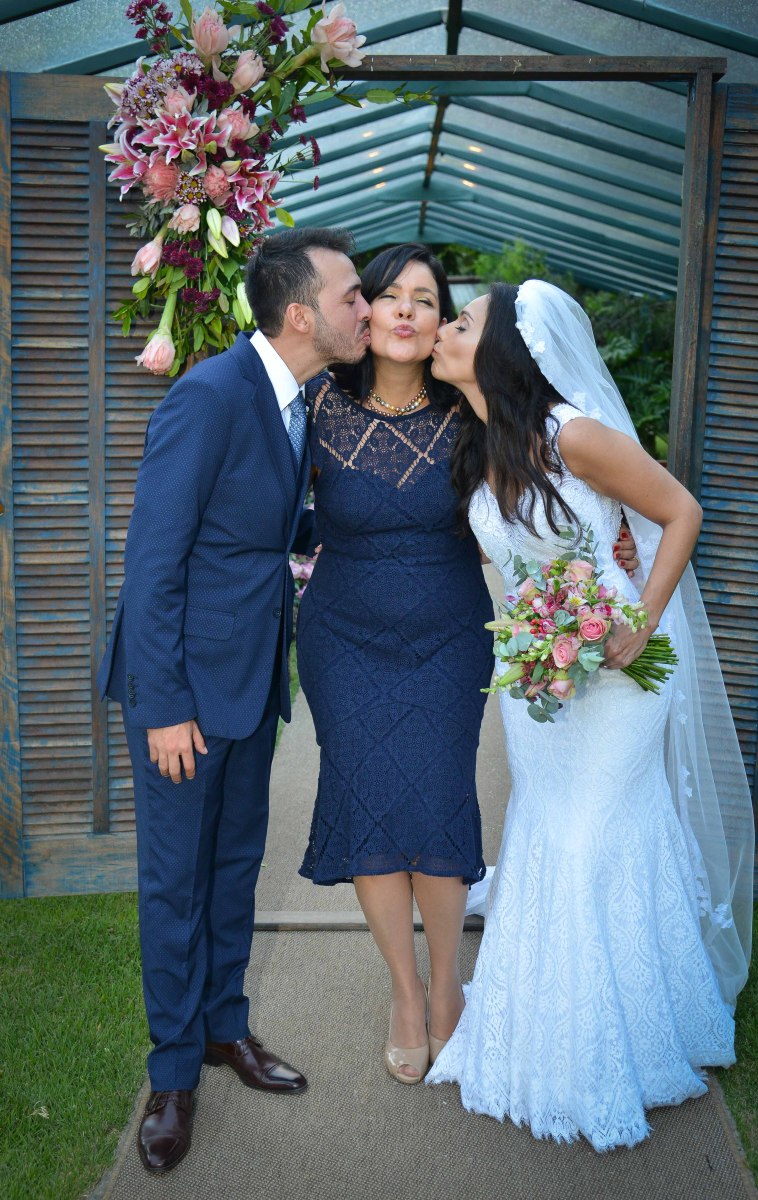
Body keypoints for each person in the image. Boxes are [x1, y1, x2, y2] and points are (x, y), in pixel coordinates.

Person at [425, 280, 754, 1150]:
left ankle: (600, 1052)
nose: (444, 328)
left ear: (504, 350)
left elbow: (680, 511)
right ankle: (549, 1022)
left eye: (462, 321)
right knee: (546, 830)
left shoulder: (569, 433)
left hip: (618, 671)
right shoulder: (481, 442)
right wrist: (533, 640)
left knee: (588, 838)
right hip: (539, 682)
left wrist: (640, 617)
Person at [98, 228, 371, 1173]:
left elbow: (264, 527)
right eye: (350, 295)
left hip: (252, 682)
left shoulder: (298, 396)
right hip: (183, 693)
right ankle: (174, 1074)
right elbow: (153, 562)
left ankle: (224, 1028)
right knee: (176, 884)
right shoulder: (209, 395)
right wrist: (164, 705)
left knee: (233, 868)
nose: (365, 308)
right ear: (299, 314)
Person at [296, 243, 495, 1084]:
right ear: (363, 311)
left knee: (438, 803)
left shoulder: (473, 410)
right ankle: (405, 994)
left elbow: (546, 486)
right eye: (390, 295)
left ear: (442, 320)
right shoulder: (314, 401)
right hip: (343, 639)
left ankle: (448, 987)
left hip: (449, 637)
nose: (407, 310)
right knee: (371, 805)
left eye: (426, 298)